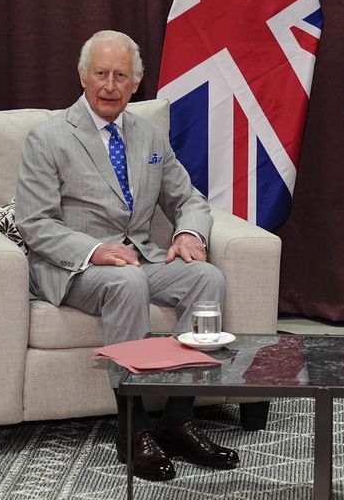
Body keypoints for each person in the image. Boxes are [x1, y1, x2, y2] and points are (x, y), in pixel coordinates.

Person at [15, 30, 238, 481]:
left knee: (206, 278)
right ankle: (131, 428)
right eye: (101, 74)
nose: (110, 86)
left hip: (140, 258)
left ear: (137, 83)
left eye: (121, 76)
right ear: (82, 75)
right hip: (74, 266)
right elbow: (34, 223)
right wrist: (95, 250)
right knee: (127, 281)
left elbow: (189, 199)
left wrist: (190, 233)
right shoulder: (48, 137)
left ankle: (179, 420)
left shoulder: (149, 136)